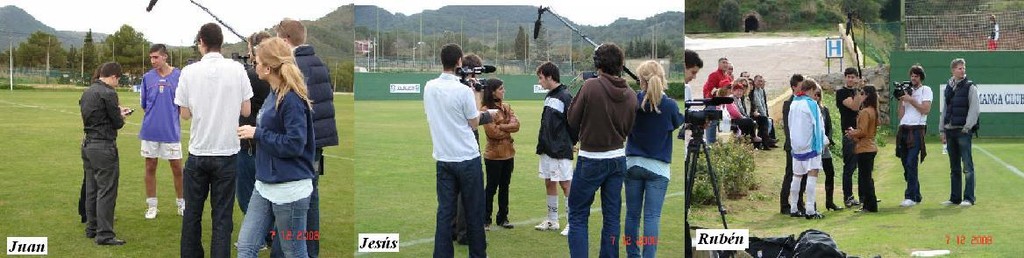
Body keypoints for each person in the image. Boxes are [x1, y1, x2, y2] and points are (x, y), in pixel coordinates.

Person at [176, 23, 253, 258]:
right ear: (221, 42)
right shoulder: (237, 69)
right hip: (226, 153)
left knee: (192, 215)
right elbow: (247, 110)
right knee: (222, 217)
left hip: (199, 152)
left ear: (201, 41)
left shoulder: (188, 72)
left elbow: (185, 114)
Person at [235, 37, 317, 258]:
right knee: (245, 247)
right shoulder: (274, 92)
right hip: (265, 185)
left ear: (268, 67)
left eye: (257, 62)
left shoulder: (290, 98)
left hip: (289, 190)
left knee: (294, 252)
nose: (255, 66)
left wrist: (257, 134)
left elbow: (295, 144)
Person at [566, 43, 637, 257]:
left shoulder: (590, 86)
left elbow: (572, 119)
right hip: (617, 159)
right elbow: (628, 128)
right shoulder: (631, 94)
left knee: (578, 215)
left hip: (590, 159)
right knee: (612, 217)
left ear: (598, 64)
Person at [277, 19, 338, 257]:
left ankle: (292, 249)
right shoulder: (319, 62)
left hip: (301, 142)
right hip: (317, 141)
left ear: (285, 40)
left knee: (295, 196)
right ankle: (310, 250)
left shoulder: (293, 65)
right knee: (311, 195)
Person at [424, 43, 490, 258]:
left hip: (443, 159)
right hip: (467, 159)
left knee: (445, 213)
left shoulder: (429, 87)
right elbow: (473, 122)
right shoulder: (463, 90)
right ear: (459, 61)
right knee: (474, 212)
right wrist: (476, 94)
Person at [624, 60, 683, 258]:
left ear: (641, 80)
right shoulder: (669, 105)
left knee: (632, 215)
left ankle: (633, 254)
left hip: (633, 163)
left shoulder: (633, 102)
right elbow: (677, 122)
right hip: (658, 168)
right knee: (652, 217)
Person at [80, 62, 131, 246]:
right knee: (107, 190)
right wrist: (122, 115)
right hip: (103, 146)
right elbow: (117, 123)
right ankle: (105, 234)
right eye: (119, 78)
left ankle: (92, 227)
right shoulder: (109, 93)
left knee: (92, 188)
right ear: (114, 76)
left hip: (87, 143)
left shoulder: (88, 91)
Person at [138, 44, 185, 219]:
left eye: (156, 57)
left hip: (171, 132)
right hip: (150, 131)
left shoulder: (179, 76)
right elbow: (144, 105)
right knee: (150, 166)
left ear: (165, 57)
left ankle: (181, 204)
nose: (153, 61)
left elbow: (184, 105)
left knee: (177, 169)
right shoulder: (147, 78)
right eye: (151, 57)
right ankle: (152, 205)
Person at [534, 61, 576, 236]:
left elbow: (574, 124)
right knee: (549, 182)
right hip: (546, 148)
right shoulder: (549, 95)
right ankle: (552, 220)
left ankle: (572, 223)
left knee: (566, 185)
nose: (540, 81)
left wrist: (570, 143)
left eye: (541, 78)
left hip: (560, 150)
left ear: (550, 77)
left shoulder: (566, 97)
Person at [237, 31, 273, 215]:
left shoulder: (252, 77)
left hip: (251, 144)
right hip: (267, 142)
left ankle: (261, 236)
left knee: (247, 195)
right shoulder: (277, 77)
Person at [480, 78, 519, 231]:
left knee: (505, 187)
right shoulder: (485, 110)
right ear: (492, 91)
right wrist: (507, 128)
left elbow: (517, 125)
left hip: (509, 154)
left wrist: (501, 126)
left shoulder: (507, 107)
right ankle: (485, 219)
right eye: (501, 88)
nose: (504, 91)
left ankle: (503, 218)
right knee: (491, 188)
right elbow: (492, 132)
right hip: (493, 155)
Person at [939, 58, 979, 207]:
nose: (962, 70)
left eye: (963, 68)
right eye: (959, 68)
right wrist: (942, 129)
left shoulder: (970, 87)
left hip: (963, 131)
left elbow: (974, 109)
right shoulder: (948, 88)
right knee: (954, 167)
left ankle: (969, 198)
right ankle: (954, 198)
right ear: (953, 70)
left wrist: (967, 127)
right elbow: (945, 110)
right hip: (950, 131)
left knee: (967, 166)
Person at [787, 78, 827, 219]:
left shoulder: (794, 103)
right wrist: (821, 144)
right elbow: (818, 126)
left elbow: (790, 124)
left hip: (796, 145)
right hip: (810, 144)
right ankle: (810, 209)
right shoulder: (811, 104)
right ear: (810, 90)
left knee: (796, 176)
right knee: (812, 175)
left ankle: (793, 207)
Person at [896, 65, 932, 208]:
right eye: (912, 75)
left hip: (917, 130)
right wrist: (902, 99)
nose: (913, 78)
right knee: (905, 163)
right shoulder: (907, 91)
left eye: (916, 76)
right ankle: (916, 194)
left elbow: (926, 110)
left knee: (912, 162)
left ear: (920, 77)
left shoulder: (926, 90)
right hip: (904, 128)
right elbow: (900, 115)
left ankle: (909, 196)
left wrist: (911, 100)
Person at [845, 86, 879, 213]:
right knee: (867, 177)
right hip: (870, 146)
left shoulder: (865, 112)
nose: (861, 96)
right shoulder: (873, 110)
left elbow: (862, 131)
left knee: (865, 178)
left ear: (867, 95)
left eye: (863, 93)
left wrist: (852, 133)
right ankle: (870, 204)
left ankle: (870, 205)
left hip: (864, 147)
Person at [836, 67, 864, 208]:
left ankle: (863, 196)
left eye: (853, 77)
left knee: (862, 166)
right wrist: (859, 92)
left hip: (861, 133)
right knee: (850, 167)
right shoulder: (841, 93)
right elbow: (854, 106)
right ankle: (848, 197)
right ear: (845, 78)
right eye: (848, 77)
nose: (850, 79)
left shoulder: (858, 91)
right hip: (849, 134)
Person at [780, 74, 807, 215]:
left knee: (803, 174)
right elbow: (788, 128)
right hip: (793, 145)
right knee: (790, 174)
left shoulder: (803, 102)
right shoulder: (788, 104)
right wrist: (793, 145)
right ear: (793, 87)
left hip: (802, 145)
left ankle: (799, 203)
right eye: (801, 87)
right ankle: (784, 204)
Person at [813, 90, 842, 211]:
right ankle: (811, 204)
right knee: (812, 174)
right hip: (814, 147)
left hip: (824, 146)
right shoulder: (808, 109)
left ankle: (829, 202)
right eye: (815, 94)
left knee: (830, 172)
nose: (817, 97)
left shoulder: (824, 109)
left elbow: (829, 127)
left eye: (818, 95)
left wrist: (828, 140)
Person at [750, 75, 777, 148]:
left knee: (769, 120)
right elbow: (758, 104)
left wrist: (765, 114)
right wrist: (764, 115)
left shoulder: (761, 90)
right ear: (754, 82)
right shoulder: (754, 91)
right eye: (758, 81)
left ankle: (769, 140)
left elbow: (763, 103)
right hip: (755, 113)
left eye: (761, 81)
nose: (760, 83)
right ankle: (766, 141)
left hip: (759, 113)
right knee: (765, 120)